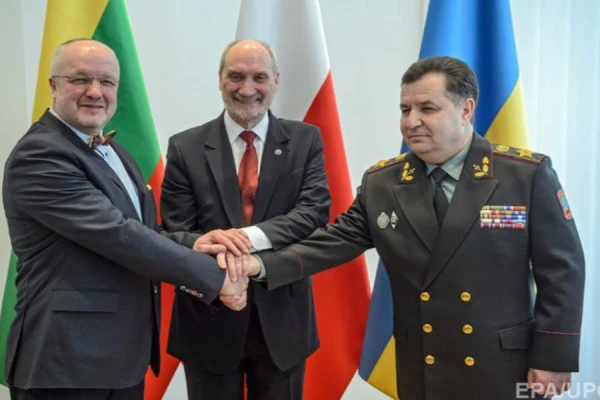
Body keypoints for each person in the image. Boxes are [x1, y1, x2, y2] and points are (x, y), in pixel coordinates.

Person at [248, 56, 585, 399]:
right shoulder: (384, 183)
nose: (412, 122)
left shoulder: (524, 176)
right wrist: (258, 265)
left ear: (466, 110)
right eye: (405, 110)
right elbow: (332, 241)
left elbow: (562, 271)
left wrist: (554, 356)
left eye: (427, 109)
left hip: (502, 363)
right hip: (424, 362)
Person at [2, 39, 247, 400]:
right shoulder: (40, 154)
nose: (95, 92)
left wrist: (194, 242)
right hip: (65, 361)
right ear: (53, 86)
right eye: (80, 79)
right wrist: (215, 277)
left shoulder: (113, 149)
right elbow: (117, 235)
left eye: (107, 82)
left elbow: (141, 230)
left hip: (120, 357)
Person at [160, 39, 330, 400]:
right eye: (236, 76)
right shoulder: (185, 147)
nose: (247, 88)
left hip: (283, 320)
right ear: (220, 79)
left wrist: (247, 238)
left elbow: (313, 212)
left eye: (259, 77)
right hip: (208, 319)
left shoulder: (305, 140)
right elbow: (176, 231)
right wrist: (222, 271)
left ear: (276, 81)